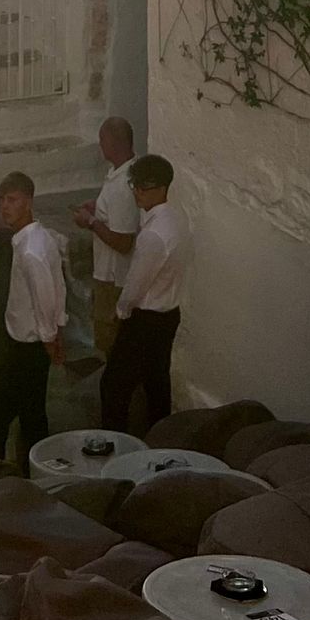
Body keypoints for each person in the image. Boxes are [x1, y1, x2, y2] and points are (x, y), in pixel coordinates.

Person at [0, 171, 66, 462]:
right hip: (27, 340)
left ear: (28, 202)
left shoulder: (31, 250)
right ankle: (35, 474)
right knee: (32, 415)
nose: (5, 206)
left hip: (28, 346)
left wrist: (50, 337)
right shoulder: (38, 238)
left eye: (12, 200)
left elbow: (47, 294)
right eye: (2, 199)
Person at [99, 153, 185, 433]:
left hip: (145, 319)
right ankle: (159, 435)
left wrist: (120, 312)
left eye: (143, 188)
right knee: (156, 381)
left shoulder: (153, 235)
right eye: (135, 185)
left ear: (161, 188)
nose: (137, 193)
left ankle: (114, 442)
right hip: (169, 313)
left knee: (114, 385)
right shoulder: (178, 220)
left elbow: (136, 284)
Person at [72, 116, 139, 358]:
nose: (99, 145)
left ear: (113, 143)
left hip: (114, 278)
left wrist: (90, 222)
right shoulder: (119, 173)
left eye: (102, 140)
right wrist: (97, 207)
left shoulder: (124, 185)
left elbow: (123, 241)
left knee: (109, 341)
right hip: (108, 273)